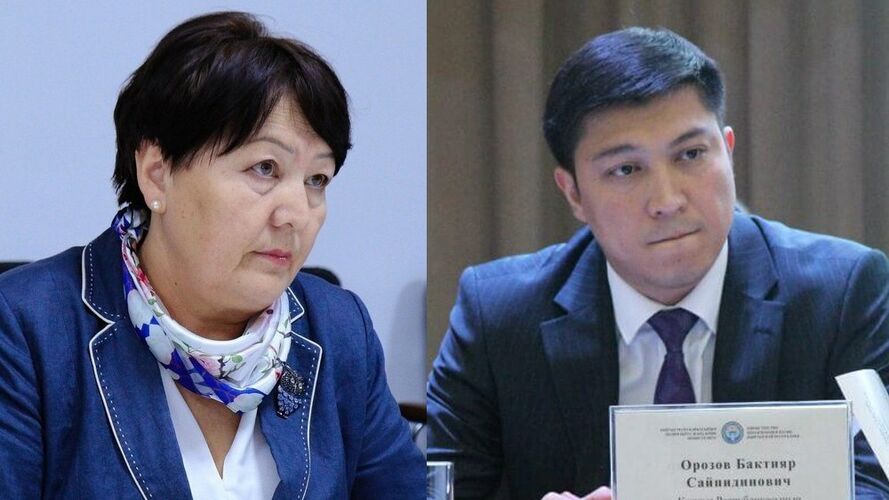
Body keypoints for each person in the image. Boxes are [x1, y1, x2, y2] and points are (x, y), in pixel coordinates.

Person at [427, 27, 889, 499]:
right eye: (626, 169)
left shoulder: (844, 294)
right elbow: (445, 491)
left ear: (728, 151)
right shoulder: (498, 318)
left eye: (691, 154)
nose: (667, 201)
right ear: (573, 193)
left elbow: (878, 481)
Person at [0, 11, 423, 498]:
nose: (295, 213)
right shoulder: (29, 329)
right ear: (157, 173)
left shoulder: (338, 329)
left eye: (316, 179)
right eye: (265, 168)